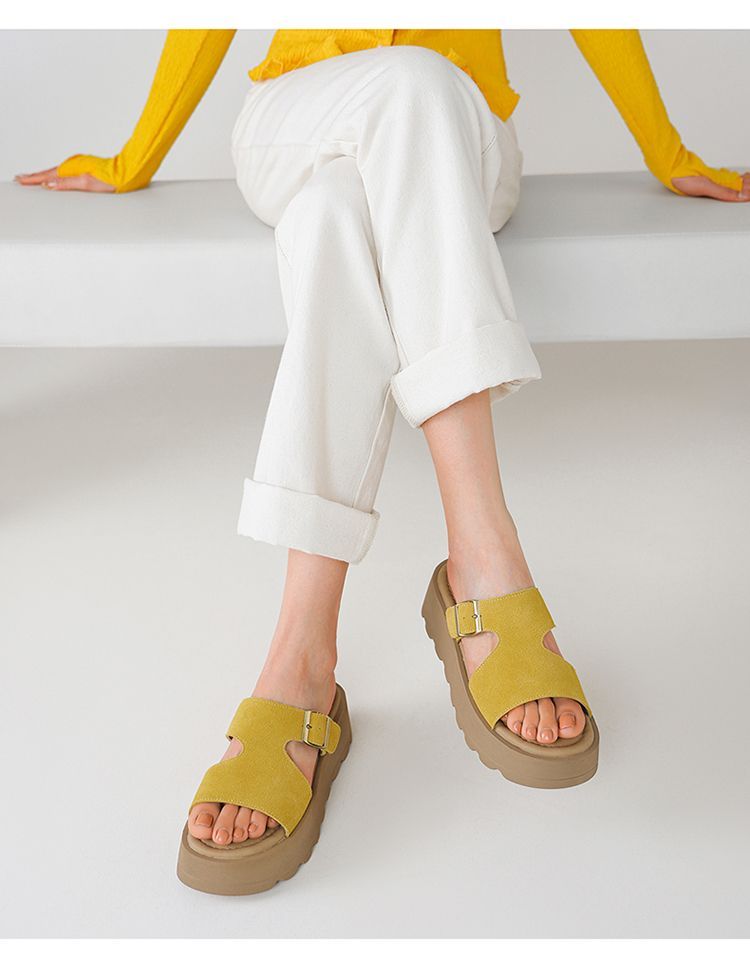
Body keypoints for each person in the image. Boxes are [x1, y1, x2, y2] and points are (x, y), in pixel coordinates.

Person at [17, 29, 749, 896]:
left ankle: (301, 661)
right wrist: (135, 156)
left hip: (462, 135)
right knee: (404, 88)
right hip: (295, 117)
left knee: (337, 210)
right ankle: (484, 559)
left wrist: (668, 150)